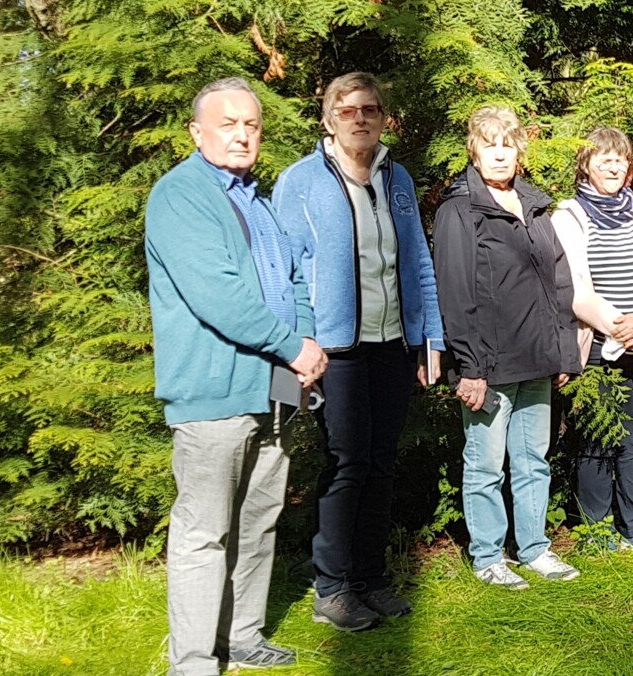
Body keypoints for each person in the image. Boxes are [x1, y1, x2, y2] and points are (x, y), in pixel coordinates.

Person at [146, 77, 323, 674]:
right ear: (197, 133)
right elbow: (217, 295)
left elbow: (293, 279)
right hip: (214, 390)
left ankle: (243, 638)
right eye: (229, 124)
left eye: (251, 125)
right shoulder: (181, 196)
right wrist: (290, 345)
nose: (243, 134)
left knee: (258, 519)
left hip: (275, 386)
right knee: (203, 532)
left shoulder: (257, 200)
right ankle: (193, 661)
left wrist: (305, 340)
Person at [271, 72, 443, 630]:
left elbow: (418, 261)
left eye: (370, 109)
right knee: (348, 464)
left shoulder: (397, 179)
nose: (361, 118)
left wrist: (429, 336)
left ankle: (371, 578)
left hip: (391, 344)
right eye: (348, 111)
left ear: (384, 118)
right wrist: (300, 343)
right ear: (328, 119)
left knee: (382, 464)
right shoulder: (300, 183)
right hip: (333, 349)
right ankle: (333, 586)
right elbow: (285, 272)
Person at [433, 105, 583, 590]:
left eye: (507, 144)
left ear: (520, 149)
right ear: (473, 150)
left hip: (537, 359)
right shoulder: (459, 210)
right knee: (484, 465)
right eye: (489, 144)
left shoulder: (536, 206)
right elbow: (455, 294)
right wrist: (469, 368)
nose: (499, 154)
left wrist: (562, 350)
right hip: (488, 366)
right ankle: (487, 555)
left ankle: (535, 549)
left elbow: (558, 282)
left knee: (532, 460)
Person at [553, 127, 633, 551]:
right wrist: (617, 327)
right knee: (595, 438)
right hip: (595, 346)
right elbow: (575, 287)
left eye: (621, 159)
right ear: (586, 165)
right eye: (604, 158)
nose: (613, 165)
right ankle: (596, 528)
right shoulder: (568, 216)